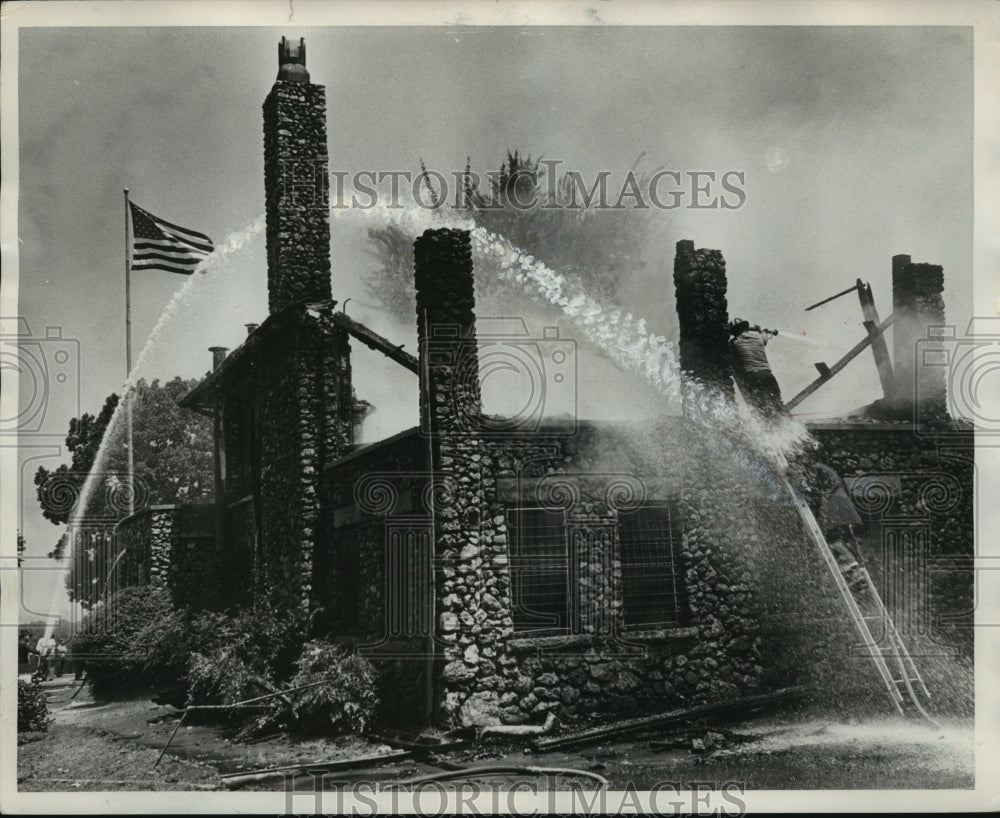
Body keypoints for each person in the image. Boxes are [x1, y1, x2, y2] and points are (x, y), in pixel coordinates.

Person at [814, 463, 866, 591]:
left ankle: (851, 568)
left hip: (836, 513)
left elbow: (827, 488)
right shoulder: (827, 470)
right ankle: (855, 572)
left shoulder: (818, 470)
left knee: (833, 541)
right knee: (845, 540)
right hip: (844, 513)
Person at [729, 319, 784, 417]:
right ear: (746, 328)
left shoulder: (733, 343)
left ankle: (768, 427)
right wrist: (761, 328)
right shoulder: (758, 338)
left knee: (759, 406)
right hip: (767, 374)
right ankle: (786, 423)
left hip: (752, 376)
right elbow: (764, 334)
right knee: (777, 402)